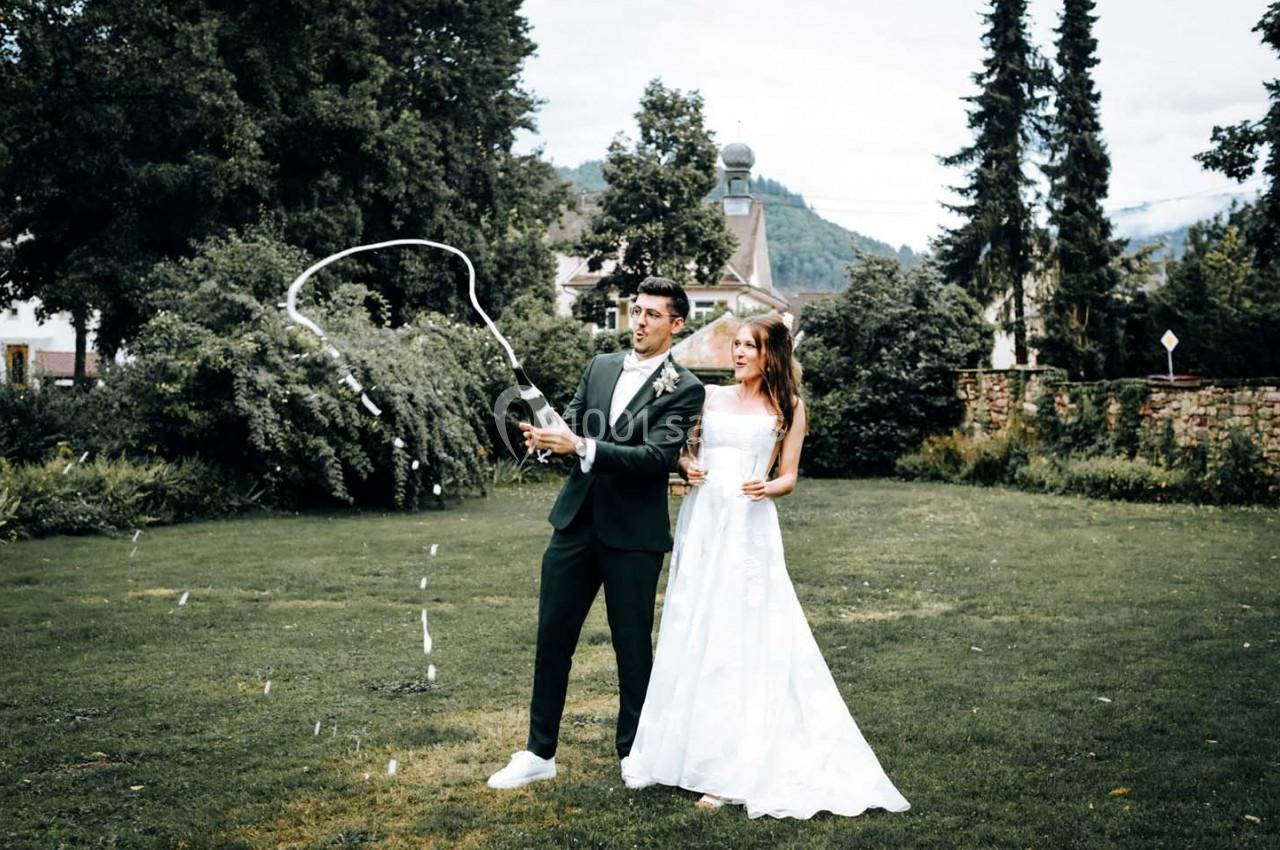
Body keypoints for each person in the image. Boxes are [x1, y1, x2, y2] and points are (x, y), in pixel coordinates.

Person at [621, 315, 911, 820]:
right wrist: (688, 466)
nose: (738, 354)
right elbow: (683, 451)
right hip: (705, 519)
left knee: (742, 632)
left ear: (770, 355)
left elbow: (789, 477)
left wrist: (765, 487)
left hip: (749, 524)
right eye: (735, 345)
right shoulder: (709, 398)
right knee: (695, 624)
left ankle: (731, 765)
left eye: (749, 347)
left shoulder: (789, 407)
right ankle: (677, 751)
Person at [487, 277, 705, 790]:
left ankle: (635, 754)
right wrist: (547, 440)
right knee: (552, 638)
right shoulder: (600, 366)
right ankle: (539, 753)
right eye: (636, 310)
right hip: (575, 523)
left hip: (634, 534)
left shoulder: (687, 387)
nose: (641, 321)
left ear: (676, 324)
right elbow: (576, 429)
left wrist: (579, 446)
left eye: (653, 314)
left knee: (632, 647)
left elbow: (655, 459)